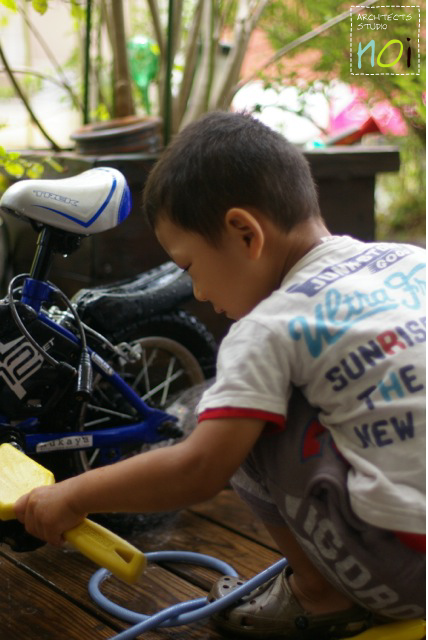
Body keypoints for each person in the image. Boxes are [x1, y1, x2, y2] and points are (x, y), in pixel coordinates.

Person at [15, 111, 425, 639]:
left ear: (244, 233)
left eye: (190, 268)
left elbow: (201, 468)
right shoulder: (411, 261)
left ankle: (321, 593)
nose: (200, 293)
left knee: (228, 412)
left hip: (404, 571)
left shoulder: (268, 327)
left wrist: (71, 497)